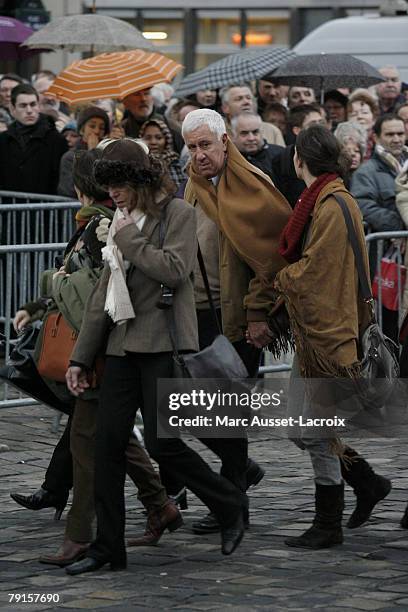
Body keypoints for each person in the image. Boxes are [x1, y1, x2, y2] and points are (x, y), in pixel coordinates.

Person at [63, 138, 247, 575]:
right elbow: (102, 296)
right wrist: (80, 357)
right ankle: (108, 548)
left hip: (163, 344)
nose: (113, 195)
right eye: (108, 187)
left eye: (120, 185)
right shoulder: (121, 218)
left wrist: (128, 239)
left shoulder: (177, 214)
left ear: (140, 181)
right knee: (107, 444)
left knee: (166, 446)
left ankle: (229, 503)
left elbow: (173, 270)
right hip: (122, 346)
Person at [10, 147, 180, 564]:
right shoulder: (94, 223)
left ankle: (84, 535)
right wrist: (37, 304)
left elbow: (92, 296)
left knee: (91, 445)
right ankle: (158, 506)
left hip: (103, 353)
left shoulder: (103, 227)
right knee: (108, 439)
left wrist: (54, 283)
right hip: (102, 353)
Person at [274, 124, 391, 550]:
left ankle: (329, 522)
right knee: (298, 427)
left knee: (311, 427)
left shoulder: (332, 201)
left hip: (329, 332)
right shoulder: (321, 197)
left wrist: (279, 279)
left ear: (299, 160)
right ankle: (366, 481)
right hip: (316, 332)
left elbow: (317, 271)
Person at [181, 108, 292, 534]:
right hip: (199, 310)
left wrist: (259, 314)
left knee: (229, 412)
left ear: (225, 141)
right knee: (198, 408)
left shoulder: (253, 184)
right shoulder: (193, 182)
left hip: (240, 314)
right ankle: (237, 478)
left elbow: (271, 257)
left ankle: (232, 501)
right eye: (191, 147)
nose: (199, 154)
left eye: (205, 145)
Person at [0, 84, 68, 195]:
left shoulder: (55, 140)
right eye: (23, 105)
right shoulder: (3, 140)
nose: (29, 110)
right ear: (12, 109)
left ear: (39, 106)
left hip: (46, 208)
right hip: (10, 207)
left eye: (33, 104)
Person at [270, 103, 326, 206]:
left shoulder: (331, 154)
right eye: (313, 124)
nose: (320, 128)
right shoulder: (282, 160)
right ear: (297, 130)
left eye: (321, 123)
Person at [58, 106, 110, 198]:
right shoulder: (70, 157)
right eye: (92, 126)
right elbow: (70, 190)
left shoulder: (108, 154)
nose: (97, 131)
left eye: (101, 128)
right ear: (82, 130)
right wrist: (92, 155)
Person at [220, 84, 285, 146]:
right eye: (239, 99)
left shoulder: (271, 131)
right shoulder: (218, 132)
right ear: (225, 108)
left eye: (248, 98)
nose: (246, 102)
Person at [230, 112, 284, 183]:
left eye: (255, 132)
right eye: (244, 133)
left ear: (261, 133)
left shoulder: (280, 154)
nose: (251, 138)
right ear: (233, 136)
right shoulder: (227, 160)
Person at [139, 118, 184, 187]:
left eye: (159, 138)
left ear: (167, 140)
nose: (153, 142)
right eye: (148, 138)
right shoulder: (137, 164)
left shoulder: (175, 162)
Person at [348, 89, 379, 160]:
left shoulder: (380, 140)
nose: (359, 117)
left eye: (364, 112)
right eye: (354, 114)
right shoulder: (342, 141)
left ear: (374, 117)